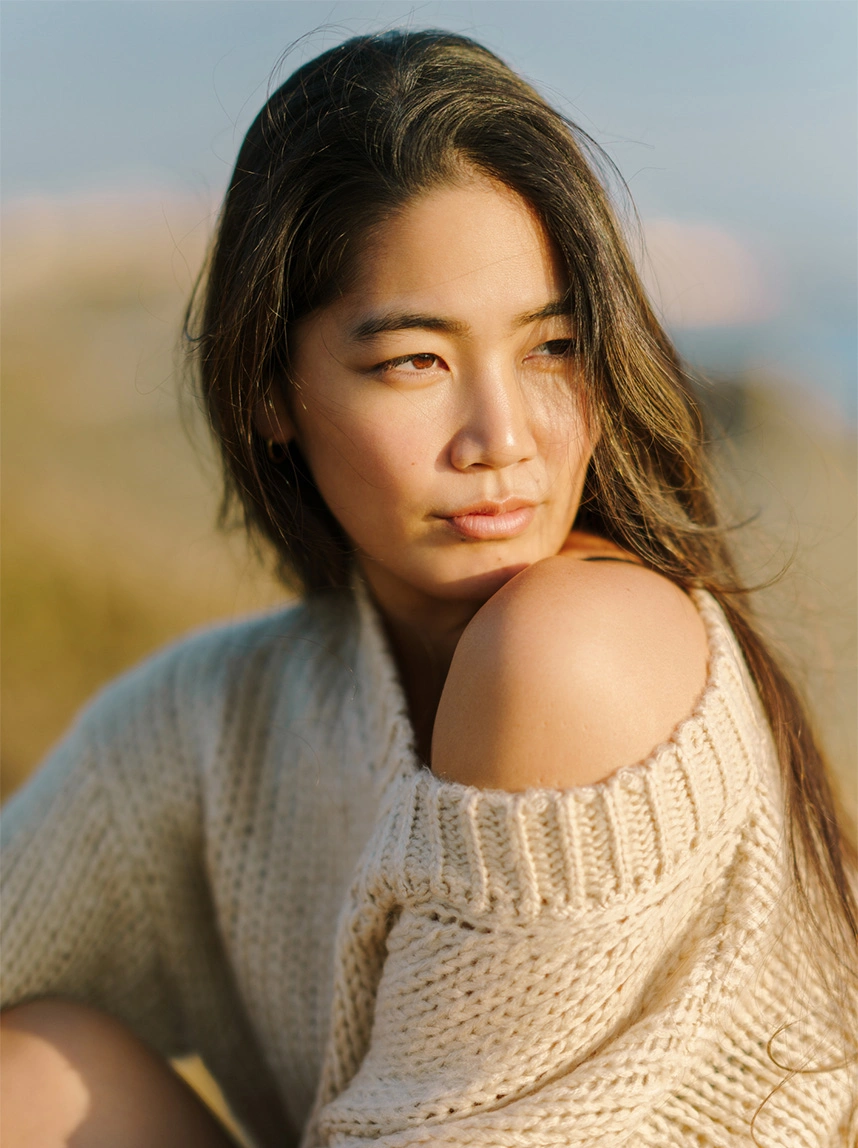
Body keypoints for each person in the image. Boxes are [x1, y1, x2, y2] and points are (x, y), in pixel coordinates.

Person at [1, 29, 856, 1148]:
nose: (503, 440)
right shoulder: (219, 720)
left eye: (552, 347)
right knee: (27, 1082)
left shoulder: (583, 646)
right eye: (416, 360)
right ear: (272, 388)